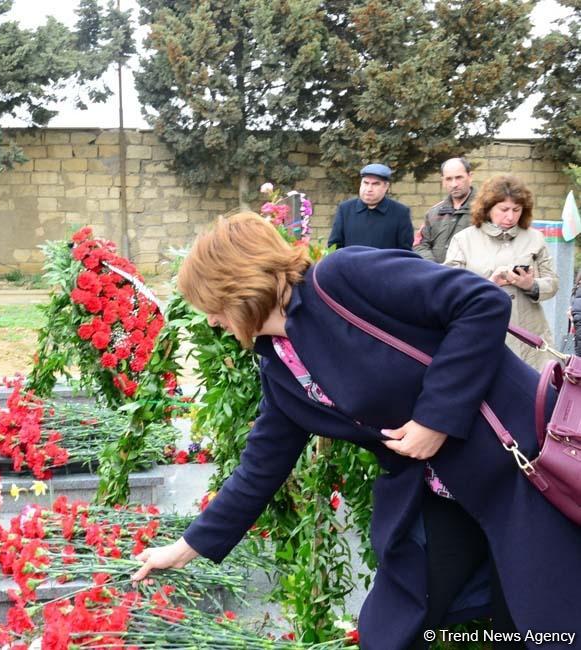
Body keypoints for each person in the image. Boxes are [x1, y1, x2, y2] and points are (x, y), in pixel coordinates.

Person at [132, 213, 581, 650]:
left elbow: (481, 302)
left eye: (211, 305)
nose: (212, 320)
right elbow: (259, 469)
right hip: (442, 496)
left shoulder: (343, 278)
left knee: (541, 624)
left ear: (236, 284)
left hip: (520, 470)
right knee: (391, 629)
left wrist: (435, 419)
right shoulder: (280, 369)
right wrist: (186, 547)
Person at [443, 175, 557, 371]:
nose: (510, 217)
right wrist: (488, 284)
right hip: (482, 333)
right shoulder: (464, 240)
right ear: (488, 208)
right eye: (503, 210)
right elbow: (450, 289)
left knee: (535, 396)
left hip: (530, 337)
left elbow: (553, 283)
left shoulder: (535, 238)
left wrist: (531, 285)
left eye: (517, 210)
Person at [327, 163, 413, 250]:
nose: (369, 189)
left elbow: (405, 251)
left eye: (375, 184)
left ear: (386, 186)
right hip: (351, 263)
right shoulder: (345, 209)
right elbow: (334, 247)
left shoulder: (400, 212)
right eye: (366, 183)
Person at [413, 157, 476, 263]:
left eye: (459, 178)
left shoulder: (486, 210)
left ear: (470, 177)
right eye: (449, 179)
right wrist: (434, 268)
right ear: (443, 181)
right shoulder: (433, 213)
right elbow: (420, 245)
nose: (454, 184)